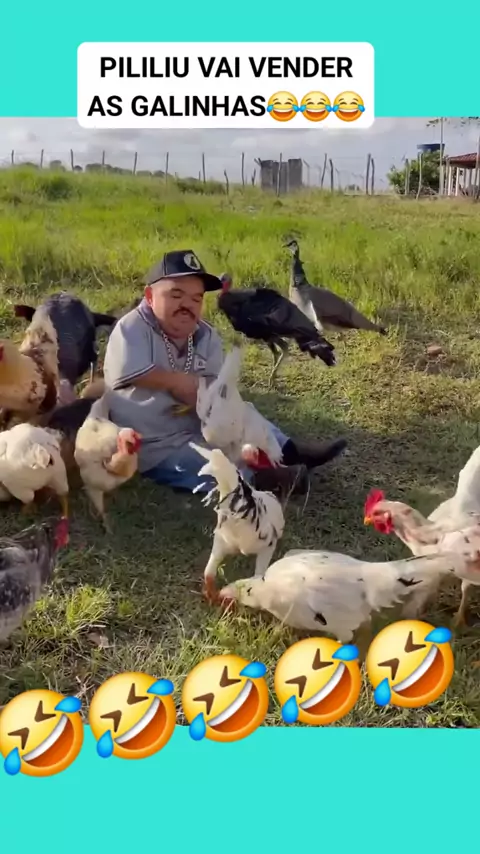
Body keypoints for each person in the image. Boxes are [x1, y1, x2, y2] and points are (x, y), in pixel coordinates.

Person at [103, 250, 347, 496]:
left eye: (196, 298)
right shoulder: (132, 327)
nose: (187, 305)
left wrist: (218, 404)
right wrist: (177, 383)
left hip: (200, 424)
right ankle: (263, 480)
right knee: (205, 463)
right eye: (176, 295)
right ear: (150, 296)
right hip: (155, 440)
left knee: (244, 413)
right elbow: (130, 372)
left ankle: (289, 451)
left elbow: (215, 386)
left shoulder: (205, 335)